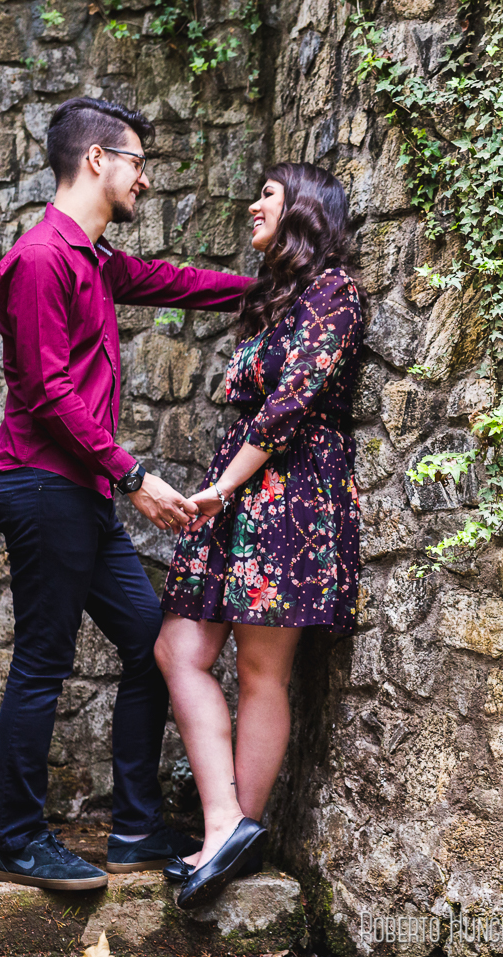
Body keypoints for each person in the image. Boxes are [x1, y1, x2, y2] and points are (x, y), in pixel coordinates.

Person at [0, 97, 254, 890]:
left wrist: (277, 290)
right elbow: (47, 392)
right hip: (42, 487)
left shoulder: (94, 259)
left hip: (78, 492)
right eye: (137, 160)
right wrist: (133, 477)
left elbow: (177, 281)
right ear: (97, 160)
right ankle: (21, 841)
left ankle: (135, 828)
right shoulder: (41, 260)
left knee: (151, 647)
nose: (145, 176)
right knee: (41, 662)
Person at [153, 163, 365, 909]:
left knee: (260, 674)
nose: (253, 204)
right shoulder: (276, 300)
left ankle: (227, 840)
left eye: (268, 195)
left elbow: (289, 405)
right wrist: (226, 488)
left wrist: (221, 486)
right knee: (180, 649)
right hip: (243, 489)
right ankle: (226, 824)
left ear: (306, 210)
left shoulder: (337, 292)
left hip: (289, 491)